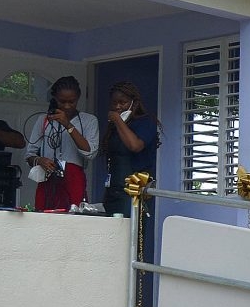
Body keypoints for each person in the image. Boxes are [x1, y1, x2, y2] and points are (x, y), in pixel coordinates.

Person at [24, 76, 98, 212]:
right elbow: (29, 155)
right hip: (47, 180)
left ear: (78, 98)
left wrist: (68, 124)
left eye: (72, 102)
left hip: (74, 180)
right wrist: (40, 160)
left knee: (73, 221)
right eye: (62, 101)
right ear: (54, 98)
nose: (67, 106)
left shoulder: (89, 120)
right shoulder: (44, 120)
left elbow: (90, 153)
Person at [99, 82, 161, 215]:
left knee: (131, 230)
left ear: (134, 103)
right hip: (114, 187)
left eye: (123, 102)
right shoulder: (115, 127)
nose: (117, 107)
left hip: (135, 188)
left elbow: (135, 145)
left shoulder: (146, 122)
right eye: (114, 103)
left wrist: (117, 120)